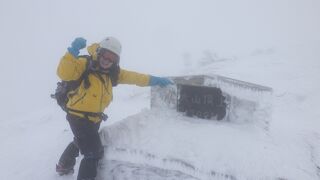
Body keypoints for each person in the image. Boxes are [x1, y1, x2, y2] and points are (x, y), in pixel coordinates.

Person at [55, 37, 172, 180]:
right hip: (78, 117)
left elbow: (135, 77)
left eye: (112, 58)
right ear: (99, 52)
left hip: (94, 118)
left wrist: (155, 80)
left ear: (116, 61)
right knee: (93, 153)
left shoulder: (113, 74)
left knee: (81, 140)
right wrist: (71, 52)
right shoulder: (84, 64)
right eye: (105, 55)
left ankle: (64, 164)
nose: (106, 60)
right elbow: (64, 73)